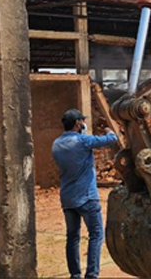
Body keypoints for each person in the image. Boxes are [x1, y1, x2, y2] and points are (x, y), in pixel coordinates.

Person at [52, 109, 118, 279]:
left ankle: (75, 274)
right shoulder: (83, 141)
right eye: (82, 121)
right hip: (87, 196)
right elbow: (112, 139)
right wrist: (108, 130)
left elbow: (76, 150)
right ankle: (92, 275)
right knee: (96, 235)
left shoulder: (57, 144)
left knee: (72, 237)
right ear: (77, 124)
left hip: (67, 197)